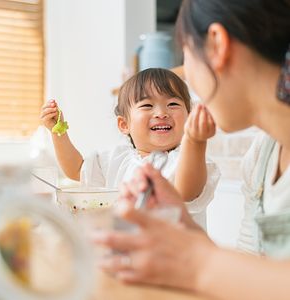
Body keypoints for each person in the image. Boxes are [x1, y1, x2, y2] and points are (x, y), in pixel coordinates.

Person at [91, 0, 290, 299]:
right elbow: (253, 272)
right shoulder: (260, 158)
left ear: (216, 45)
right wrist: (186, 235)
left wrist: (197, 262)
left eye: (185, 57)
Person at [40, 68, 219, 228]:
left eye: (173, 104)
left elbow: (186, 191)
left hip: (175, 262)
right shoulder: (115, 158)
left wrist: (195, 141)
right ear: (124, 124)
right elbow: (77, 170)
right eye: (147, 105)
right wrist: (58, 133)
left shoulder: (188, 160)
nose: (161, 113)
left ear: (189, 116)